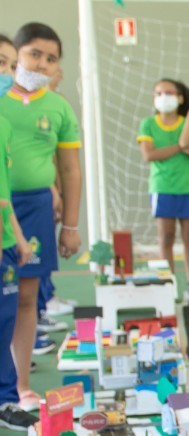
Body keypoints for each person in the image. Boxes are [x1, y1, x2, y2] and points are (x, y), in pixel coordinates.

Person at [0, 23, 81, 412]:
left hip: (35, 209)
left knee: (26, 297)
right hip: (3, 201)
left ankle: (20, 384)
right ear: (16, 56)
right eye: (34, 54)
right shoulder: (1, 97)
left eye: (51, 59)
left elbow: (69, 169)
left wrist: (70, 225)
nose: (42, 64)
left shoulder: (59, 107)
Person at [137, 79, 189, 298]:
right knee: (166, 237)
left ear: (180, 98)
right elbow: (149, 155)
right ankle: (167, 284)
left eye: (168, 92)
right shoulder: (148, 124)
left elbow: (186, 139)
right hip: (162, 187)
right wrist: (180, 148)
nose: (163, 97)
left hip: (186, 188)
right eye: (158, 93)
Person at [0, 32, 37, 436]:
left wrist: (19, 237)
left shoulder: (5, 123)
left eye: (10, 65)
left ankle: (7, 399)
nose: (7, 73)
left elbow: (3, 192)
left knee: (5, 321)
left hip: (7, 236)